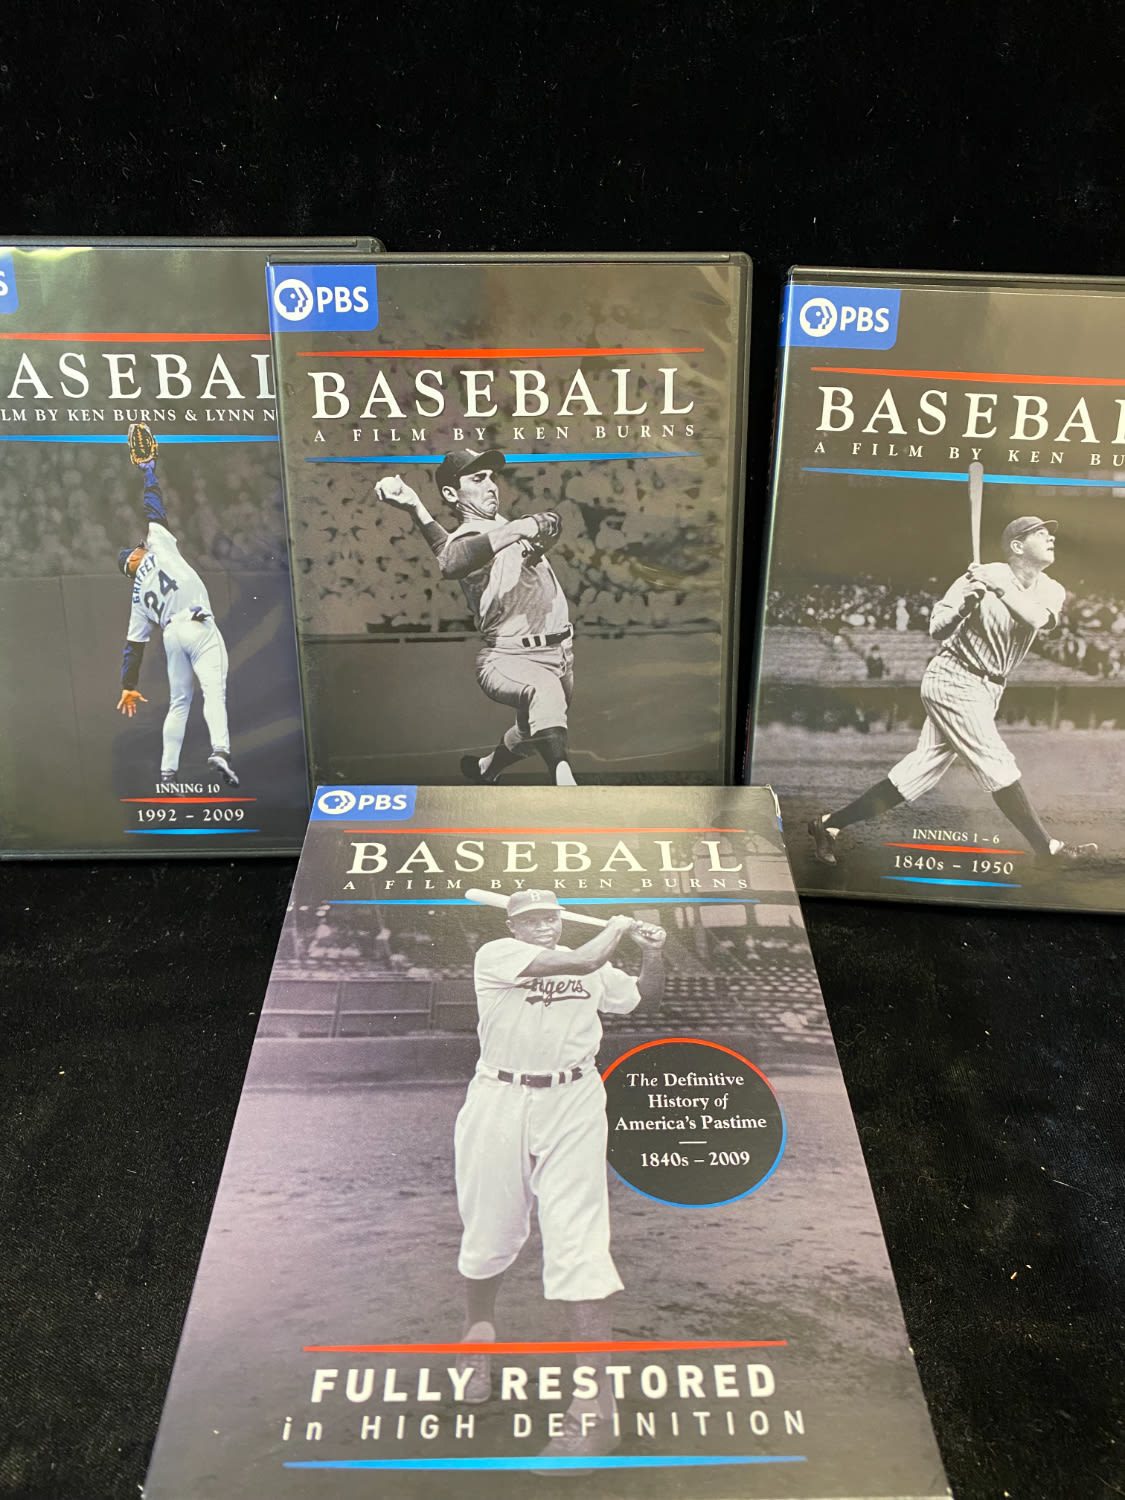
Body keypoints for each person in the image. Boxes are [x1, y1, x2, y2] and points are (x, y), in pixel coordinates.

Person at [453, 889, 666, 1464]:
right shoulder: (497, 955)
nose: (543, 926)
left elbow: (642, 997)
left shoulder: (593, 965)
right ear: (513, 927)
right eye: (530, 920)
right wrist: (618, 926)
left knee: (578, 1241)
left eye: (550, 916)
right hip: (498, 1097)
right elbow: (583, 958)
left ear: (561, 918)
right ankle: (477, 1336)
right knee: (490, 1235)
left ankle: (595, 1407)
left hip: (574, 1097)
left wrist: (651, 952)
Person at [807, 517, 1095, 868]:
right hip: (954, 676)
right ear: (1017, 546)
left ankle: (829, 824)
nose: (1050, 537)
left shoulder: (1050, 588)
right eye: (1040, 533)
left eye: (1049, 533)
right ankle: (1047, 850)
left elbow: (1037, 620)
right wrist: (963, 609)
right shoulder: (979, 576)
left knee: (918, 773)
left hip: (989, 687)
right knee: (996, 762)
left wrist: (999, 589)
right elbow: (936, 629)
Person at [375, 449, 578, 785]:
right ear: (452, 494)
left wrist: (416, 507)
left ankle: (487, 768)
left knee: (532, 732)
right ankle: (565, 783)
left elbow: (445, 548)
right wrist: (522, 528)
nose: (491, 485)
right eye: (478, 478)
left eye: (492, 477)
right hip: (510, 656)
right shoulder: (472, 536)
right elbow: (452, 560)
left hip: (560, 653)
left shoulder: (500, 527)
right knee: (545, 696)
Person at [114, 424, 239, 787]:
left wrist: (128, 684)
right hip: (197, 624)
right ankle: (220, 749)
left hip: (172, 637)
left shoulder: (137, 598)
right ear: (133, 558)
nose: (140, 546)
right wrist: (148, 470)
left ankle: (167, 772)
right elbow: (153, 505)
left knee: (179, 702)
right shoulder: (157, 545)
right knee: (214, 690)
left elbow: (133, 647)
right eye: (136, 549)